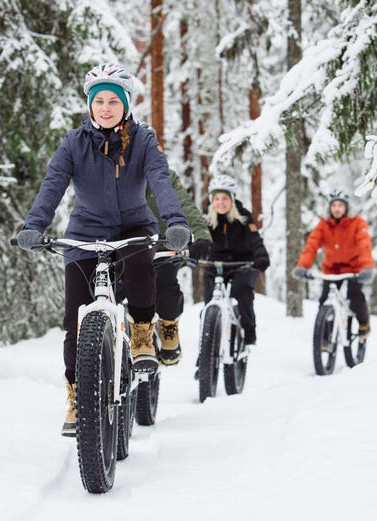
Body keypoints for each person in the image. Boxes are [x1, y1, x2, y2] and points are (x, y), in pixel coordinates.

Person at [16, 63, 190, 437]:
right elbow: (52, 186)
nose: (106, 108)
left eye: (114, 101)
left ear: (126, 105)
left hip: (133, 226)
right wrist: (33, 226)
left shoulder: (142, 139)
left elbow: (161, 181)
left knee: (142, 264)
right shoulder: (73, 143)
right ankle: (78, 395)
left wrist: (175, 222)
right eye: (100, 101)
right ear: (91, 105)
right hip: (85, 231)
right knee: (74, 320)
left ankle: (142, 331)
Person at [145, 169, 212, 365]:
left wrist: (200, 235)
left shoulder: (163, 175)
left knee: (165, 282)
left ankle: (168, 324)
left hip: (162, 245)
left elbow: (184, 205)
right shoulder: (113, 171)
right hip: (127, 247)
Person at [292, 189, 375, 339]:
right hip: (332, 269)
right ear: (329, 208)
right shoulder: (324, 224)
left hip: (353, 269)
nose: (337, 209)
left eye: (340, 205)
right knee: (324, 301)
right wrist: (302, 266)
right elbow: (312, 245)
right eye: (334, 205)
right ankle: (325, 338)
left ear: (347, 208)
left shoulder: (357, 223)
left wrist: (367, 267)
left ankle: (364, 324)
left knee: (355, 298)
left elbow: (364, 245)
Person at [202, 174, 269, 349]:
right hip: (215, 265)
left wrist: (261, 257)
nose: (220, 202)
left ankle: (249, 331)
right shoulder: (205, 218)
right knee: (208, 303)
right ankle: (206, 351)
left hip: (242, 264)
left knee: (242, 291)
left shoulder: (244, 217)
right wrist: (189, 254)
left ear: (232, 199)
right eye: (216, 198)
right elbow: (197, 240)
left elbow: (255, 240)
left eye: (224, 198)